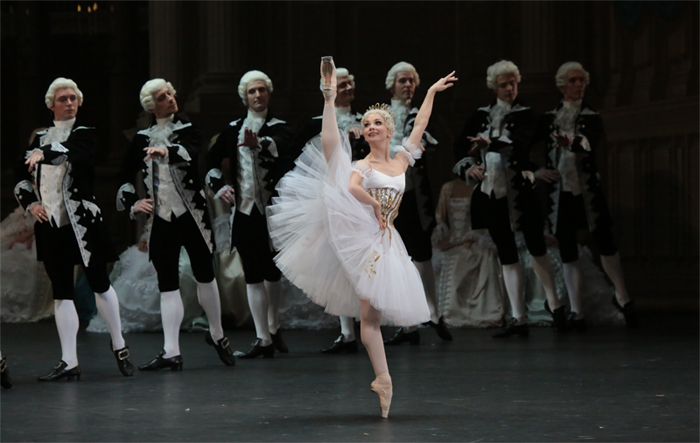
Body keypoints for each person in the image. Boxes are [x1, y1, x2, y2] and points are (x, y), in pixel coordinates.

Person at [267, 57, 457, 417]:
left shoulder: (401, 162)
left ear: (388, 129)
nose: (370, 127)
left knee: (370, 318)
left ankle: (383, 381)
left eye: (377, 123)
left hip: (387, 243)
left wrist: (431, 91)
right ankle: (384, 377)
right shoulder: (361, 166)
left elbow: (421, 125)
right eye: (366, 123)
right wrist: (328, 99)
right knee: (368, 313)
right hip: (360, 238)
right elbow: (351, 183)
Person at [15, 77, 132, 380]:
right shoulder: (38, 137)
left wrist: (45, 152)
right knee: (61, 290)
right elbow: (21, 179)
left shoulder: (85, 134)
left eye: (73, 98)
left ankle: (119, 344)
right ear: (51, 104)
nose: (69, 103)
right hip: (50, 223)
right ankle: (69, 361)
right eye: (63, 99)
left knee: (99, 282)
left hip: (82, 222)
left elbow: (74, 153)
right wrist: (31, 204)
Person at [116, 78, 235, 371]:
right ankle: (171, 351)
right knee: (167, 283)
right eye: (162, 96)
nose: (170, 98)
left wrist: (165, 152)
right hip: (161, 220)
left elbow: (191, 152)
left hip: (191, 215)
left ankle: (218, 334)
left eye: (170, 93)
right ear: (150, 106)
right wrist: (133, 202)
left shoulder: (188, 129)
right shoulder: (142, 138)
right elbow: (123, 175)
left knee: (204, 274)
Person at [453, 60, 567, 337]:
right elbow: (460, 146)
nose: (509, 89)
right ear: (494, 87)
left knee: (536, 246)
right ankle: (518, 319)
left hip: (521, 188)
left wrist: (489, 144)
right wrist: (471, 165)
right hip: (492, 191)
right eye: (503, 85)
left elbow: (520, 143)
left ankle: (557, 307)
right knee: (506, 252)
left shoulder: (527, 114)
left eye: (513, 83)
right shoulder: (481, 114)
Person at [535, 61, 637, 329]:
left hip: (587, 190)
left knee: (604, 240)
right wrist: (535, 172)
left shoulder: (591, 116)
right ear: (561, 85)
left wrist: (573, 141)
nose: (579, 85)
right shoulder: (548, 118)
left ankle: (623, 297)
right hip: (560, 192)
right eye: (573, 81)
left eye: (582, 80)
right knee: (567, 247)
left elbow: (591, 142)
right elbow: (524, 146)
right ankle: (576, 310)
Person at [206, 70, 293, 358]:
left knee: (273, 271)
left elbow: (286, 149)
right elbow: (210, 163)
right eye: (252, 91)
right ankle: (262, 338)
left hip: (273, 211)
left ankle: (274, 326)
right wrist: (220, 187)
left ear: (269, 93)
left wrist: (261, 144)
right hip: (244, 211)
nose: (258, 95)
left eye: (262, 90)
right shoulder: (232, 130)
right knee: (253, 274)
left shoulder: (279, 127)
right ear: (245, 96)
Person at [290, 67, 366, 354]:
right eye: (341, 85)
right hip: (332, 201)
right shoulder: (316, 123)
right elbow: (297, 155)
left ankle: (374, 324)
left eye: (349, 84)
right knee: (338, 263)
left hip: (362, 199)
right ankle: (347, 332)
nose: (346, 89)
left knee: (365, 262)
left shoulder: (367, 120)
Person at [381, 62, 452, 346]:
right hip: (388, 199)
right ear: (392, 85)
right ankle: (408, 326)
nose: (408, 85)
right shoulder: (379, 115)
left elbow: (432, 136)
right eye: (402, 81)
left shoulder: (421, 113)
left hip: (414, 196)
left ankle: (434, 314)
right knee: (396, 262)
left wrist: (423, 144)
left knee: (421, 257)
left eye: (411, 80)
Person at [432, 177, 506, 327]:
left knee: (475, 258)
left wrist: (473, 238)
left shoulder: (483, 186)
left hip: (477, 240)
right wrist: (444, 239)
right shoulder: (448, 187)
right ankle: (437, 314)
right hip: (452, 241)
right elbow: (441, 218)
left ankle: (469, 310)